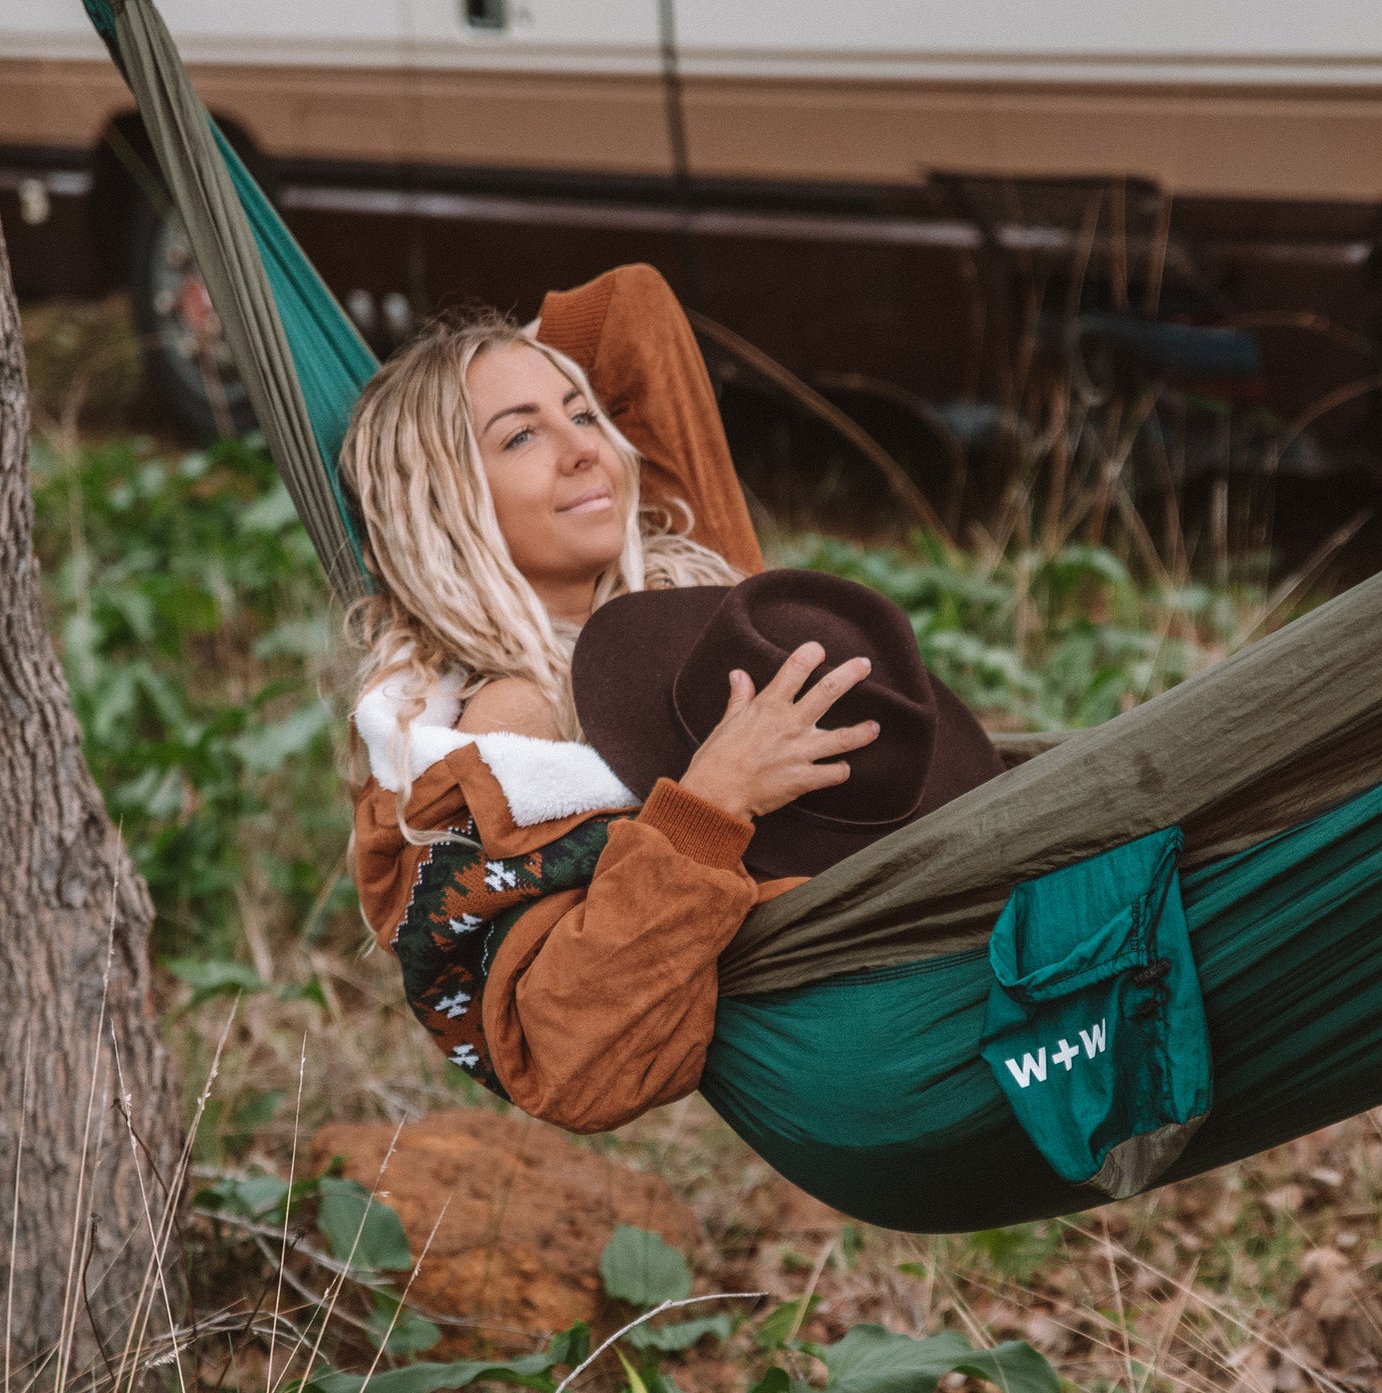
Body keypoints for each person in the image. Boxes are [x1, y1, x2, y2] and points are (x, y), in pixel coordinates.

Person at [340, 264, 999, 1134]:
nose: (587, 448)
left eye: (583, 413)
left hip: (954, 910)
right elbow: (569, 1061)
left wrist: (496, 369)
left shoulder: (696, 579)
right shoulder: (505, 742)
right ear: (442, 501)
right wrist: (713, 803)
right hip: (892, 1042)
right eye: (518, 440)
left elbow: (629, 312)